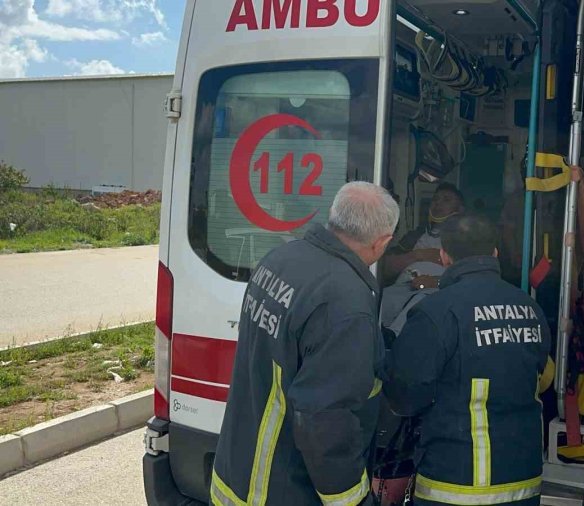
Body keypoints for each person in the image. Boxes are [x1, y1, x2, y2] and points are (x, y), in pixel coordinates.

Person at [210, 182, 399, 506]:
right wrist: (352, 501)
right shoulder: (345, 304)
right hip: (281, 489)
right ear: (382, 242)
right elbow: (325, 421)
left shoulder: (280, 259)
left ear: (333, 217)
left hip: (235, 475)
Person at [383, 214, 552, 506]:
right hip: (522, 482)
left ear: (444, 256)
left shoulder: (436, 313)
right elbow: (543, 375)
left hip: (454, 484)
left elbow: (405, 395)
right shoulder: (529, 307)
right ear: (495, 253)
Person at [381, 183, 465, 287]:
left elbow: (471, 278)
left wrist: (436, 282)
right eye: (435, 199)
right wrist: (418, 255)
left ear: (460, 209)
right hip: (406, 290)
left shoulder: (466, 239)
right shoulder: (415, 236)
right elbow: (382, 268)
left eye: (446, 200)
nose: (438, 203)